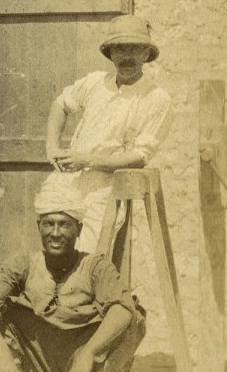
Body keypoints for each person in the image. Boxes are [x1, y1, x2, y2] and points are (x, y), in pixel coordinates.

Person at [0, 181, 145, 372]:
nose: (55, 232)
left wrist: (88, 354)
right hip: (35, 369)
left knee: (134, 321)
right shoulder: (24, 263)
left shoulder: (95, 267)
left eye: (64, 224)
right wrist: (2, 353)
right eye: (48, 224)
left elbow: (123, 308)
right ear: (39, 226)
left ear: (78, 229)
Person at [42, 15, 171, 258]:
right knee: (51, 252)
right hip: (68, 181)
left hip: (108, 188)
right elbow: (60, 105)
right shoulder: (94, 83)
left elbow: (139, 156)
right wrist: (51, 147)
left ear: (146, 54)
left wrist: (88, 160)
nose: (127, 57)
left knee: (87, 260)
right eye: (120, 49)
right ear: (110, 53)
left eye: (134, 49)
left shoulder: (156, 98)